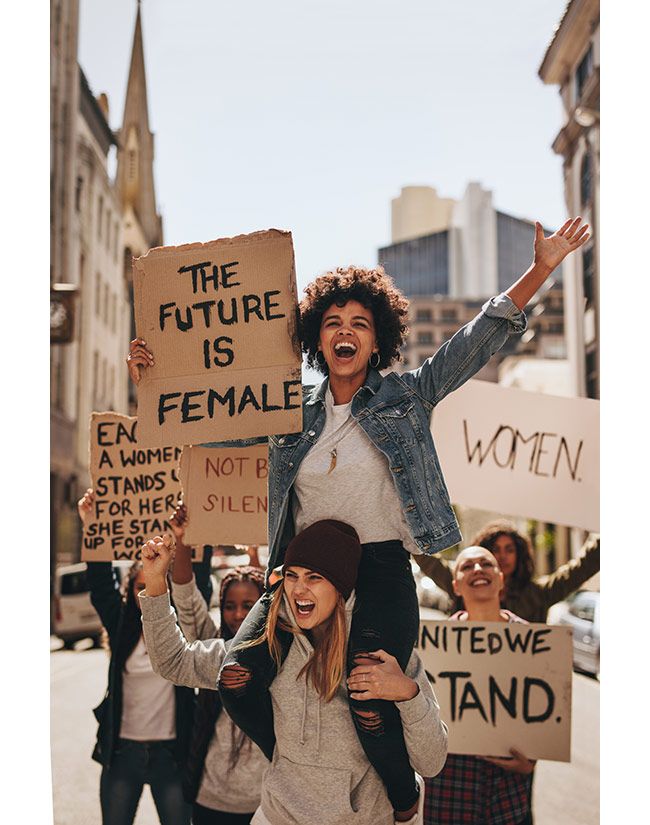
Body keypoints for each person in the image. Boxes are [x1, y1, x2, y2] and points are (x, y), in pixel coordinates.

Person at [127, 217, 589, 819]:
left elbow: (473, 342)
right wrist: (155, 382)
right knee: (238, 678)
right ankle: (291, 761)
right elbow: (213, 432)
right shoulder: (287, 410)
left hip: (379, 568)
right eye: (332, 323)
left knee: (368, 697)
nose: (345, 333)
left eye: (360, 325)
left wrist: (542, 269)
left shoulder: (407, 397)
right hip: (300, 574)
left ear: (378, 341)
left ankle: (400, 797)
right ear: (316, 339)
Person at [138, 519, 448, 825]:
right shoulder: (267, 647)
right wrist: (155, 584)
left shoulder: (384, 657)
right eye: (292, 575)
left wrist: (409, 694)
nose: (299, 588)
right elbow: (173, 662)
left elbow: (431, 762)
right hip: (277, 817)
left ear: (340, 586)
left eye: (314, 577)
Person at [78, 489, 212, 825]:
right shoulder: (122, 625)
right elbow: (100, 585)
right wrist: (92, 527)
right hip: (123, 753)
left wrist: (194, 536)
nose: (146, 592)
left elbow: (198, 587)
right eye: (140, 586)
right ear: (130, 591)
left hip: (171, 754)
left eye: (154, 584)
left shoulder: (178, 623)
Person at [168, 504, 268, 825]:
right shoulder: (212, 649)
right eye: (229, 606)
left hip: (267, 806)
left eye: (248, 606)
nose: (238, 614)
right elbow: (186, 596)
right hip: (211, 802)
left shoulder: (280, 656)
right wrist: (181, 541)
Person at [423, 545, 536, 825]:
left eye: (486, 564)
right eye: (467, 566)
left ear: (500, 578)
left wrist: (530, 761)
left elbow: (541, 716)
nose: (477, 570)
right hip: (447, 794)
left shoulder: (533, 642)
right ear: (456, 585)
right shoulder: (434, 644)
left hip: (507, 798)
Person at [415, 521, 600, 623]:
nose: (503, 556)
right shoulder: (466, 581)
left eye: (510, 550)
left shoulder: (539, 594)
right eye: (496, 549)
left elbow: (583, 567)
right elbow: (425, 558)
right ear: (457, 587)